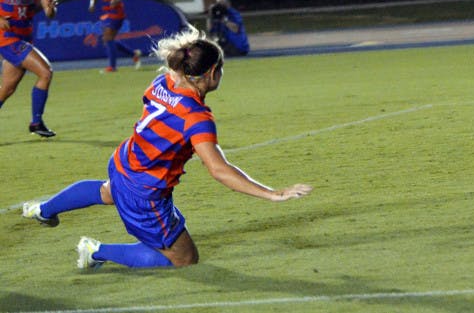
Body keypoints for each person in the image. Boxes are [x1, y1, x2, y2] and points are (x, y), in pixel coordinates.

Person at [21, 25, 312, 270]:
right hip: (144, 190)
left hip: (124, 161)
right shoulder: (196, 117)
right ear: (211, 73)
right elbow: (219, 170)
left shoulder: (163, 82)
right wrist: (272, 194)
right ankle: (95, 251)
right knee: (185, 258)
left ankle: (43, 209)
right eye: (220, 69)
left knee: (107, 191)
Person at [0, 0, 59, 138]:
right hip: (6, 38)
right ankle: (36, 122)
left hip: (24, 38)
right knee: (45, 72)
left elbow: (49, 12)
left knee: (7, 89)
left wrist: (51, 8)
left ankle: (37, 122)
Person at [89, 0, 141, 72]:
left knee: (107, 37)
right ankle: (134, 54)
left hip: (117, 12)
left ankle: (112, 67)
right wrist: (92, 3)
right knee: (107, 39)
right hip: (105, 12)